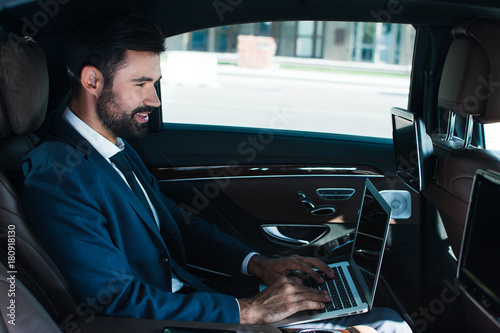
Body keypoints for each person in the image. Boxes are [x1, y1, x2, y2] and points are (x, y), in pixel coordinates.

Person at [21, 8, 410, 332]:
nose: (153, 99)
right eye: (140, 84)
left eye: (155, 83)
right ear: (92, 80)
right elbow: (115, 298)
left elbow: (177, 224)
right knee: (388, 326)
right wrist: (249, 311)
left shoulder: (114, 146)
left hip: (198, 303)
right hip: (174, 323)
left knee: (381, 310)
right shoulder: (57, 174)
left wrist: (259, 264)